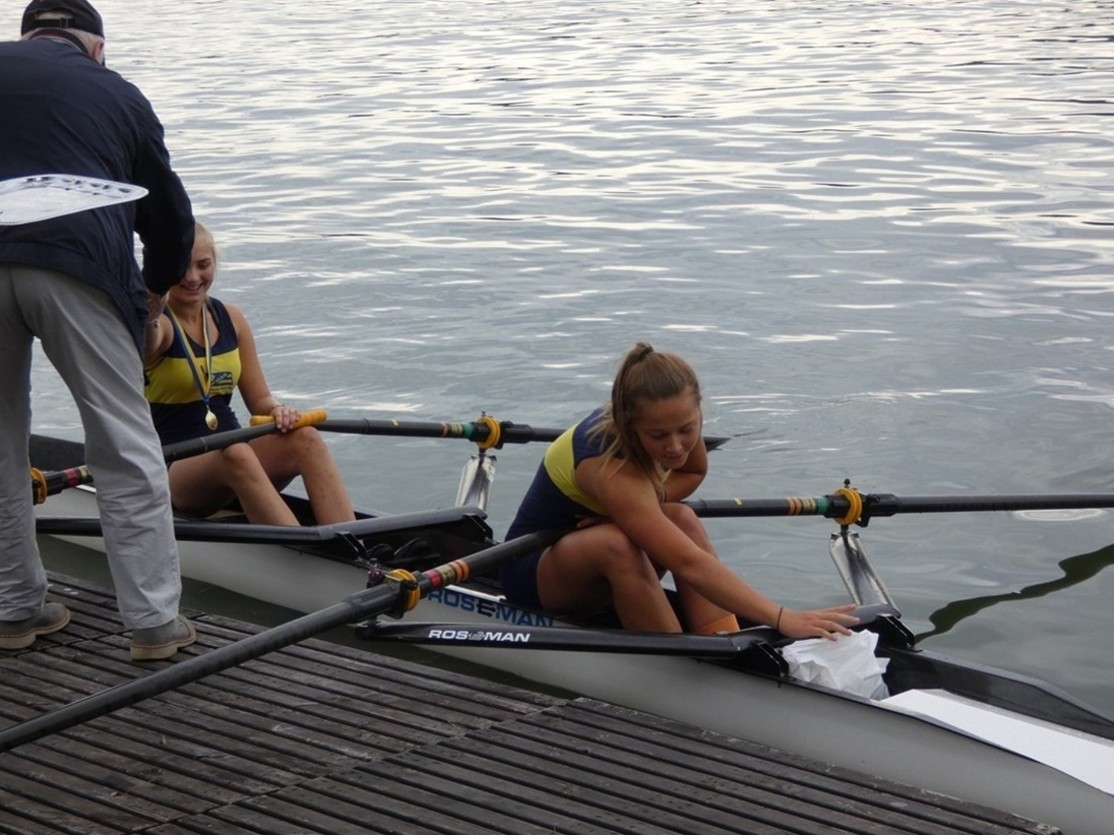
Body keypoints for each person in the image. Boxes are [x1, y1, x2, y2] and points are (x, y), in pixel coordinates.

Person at [0, 0, 197, 660]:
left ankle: (13, 609)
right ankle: (153, 623)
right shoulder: (118, 93)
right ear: (96, 49)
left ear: (27, 36)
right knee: (122, 440)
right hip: (77, 262)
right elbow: (168, 214)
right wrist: (155, 293)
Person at [501, 342, 860, 638]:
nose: (675, 446)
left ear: (698, 412)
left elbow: (693, 471)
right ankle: (676, 664)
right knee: (617, 544)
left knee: (682, 519)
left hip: (587, 558)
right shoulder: (607, 461)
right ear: (630, 425)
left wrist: (639, 505)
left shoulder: (676, 423)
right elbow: (688, 564)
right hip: (535, 573)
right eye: (658, 436)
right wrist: (781, 617)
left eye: (687, 430)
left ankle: (720, 638)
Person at [144, 222, 356, 527]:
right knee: (236, 453)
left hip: (236, 455)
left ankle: (353, 543)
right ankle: (301, 550)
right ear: (164, 269)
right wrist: (150, 308)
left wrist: (278, 410)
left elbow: (260, 401)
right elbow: (148, 344)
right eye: (181, 267)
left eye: (203, 265)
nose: (192, 277)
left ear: (215, 264)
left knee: (306, 437)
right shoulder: (160, 326)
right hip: (175, 468)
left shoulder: (231, 318)